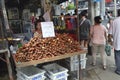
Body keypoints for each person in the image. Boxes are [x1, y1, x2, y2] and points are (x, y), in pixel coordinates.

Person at [108, 9, 120, 75]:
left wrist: (110, 40)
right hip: (117, 42)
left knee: (117, 56)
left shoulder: (114, 21)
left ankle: (119, 70)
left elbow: (110, 33)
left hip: (117, 43)